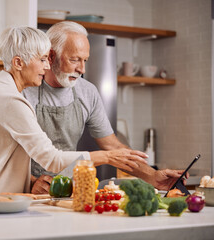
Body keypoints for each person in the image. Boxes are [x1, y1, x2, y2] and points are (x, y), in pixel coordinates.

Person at [0, 26, 147, 197]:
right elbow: (52, 159)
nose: (47, 67)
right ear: (18, 63)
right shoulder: (11, 101)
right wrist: (108, 157)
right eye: (43, 59)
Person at [22, 21, 187, 194]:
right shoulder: (25, 90)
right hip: (26, 191)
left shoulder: (87, 92)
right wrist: (32, 182)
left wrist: (152, 176)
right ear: (50, 56)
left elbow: (113, 148)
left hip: (68, 190)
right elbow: (6, 153)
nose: (82, 69)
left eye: (85, 60)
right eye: (74, 60)